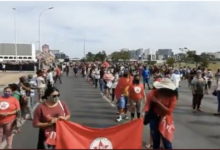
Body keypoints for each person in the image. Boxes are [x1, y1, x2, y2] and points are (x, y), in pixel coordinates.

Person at [142, 78, 177, 149]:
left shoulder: (173, 96)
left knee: (166, 141)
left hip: (165, 119)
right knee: (155, 140)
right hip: (154, 117)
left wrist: (157, 102)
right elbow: (148, 102)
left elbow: (169, 111)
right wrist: (144, 112)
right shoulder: (155, 92)